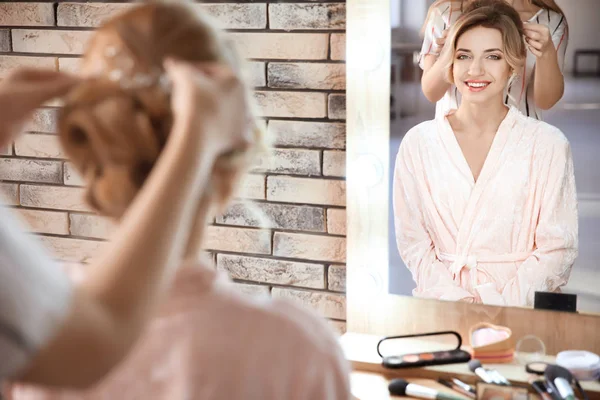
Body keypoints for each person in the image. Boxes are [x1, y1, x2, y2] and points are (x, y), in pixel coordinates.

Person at [4, 2, 351, 399]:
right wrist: (197, 137)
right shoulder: (301, 351)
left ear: (93, 158)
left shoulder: (26, 321)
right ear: (231, 163)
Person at [393, 0, 578, 308]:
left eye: (493, 56)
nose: (476, 68)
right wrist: (457, 301)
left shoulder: (549, 145)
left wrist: (502, 310)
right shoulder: (419, 145)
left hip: (521, 144)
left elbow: (556, 248)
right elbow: (414, 243)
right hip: (449, 142)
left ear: (513, 64)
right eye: (464, 56)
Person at [419, 0, 568, 120]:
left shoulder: (551, 21)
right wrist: (450, 48)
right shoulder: (445, 13)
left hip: (519, 141)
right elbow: (431, 93)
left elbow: (546, 101)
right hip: (453, 140)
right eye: (464, 56)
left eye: (494, 56)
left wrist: (547, 53)